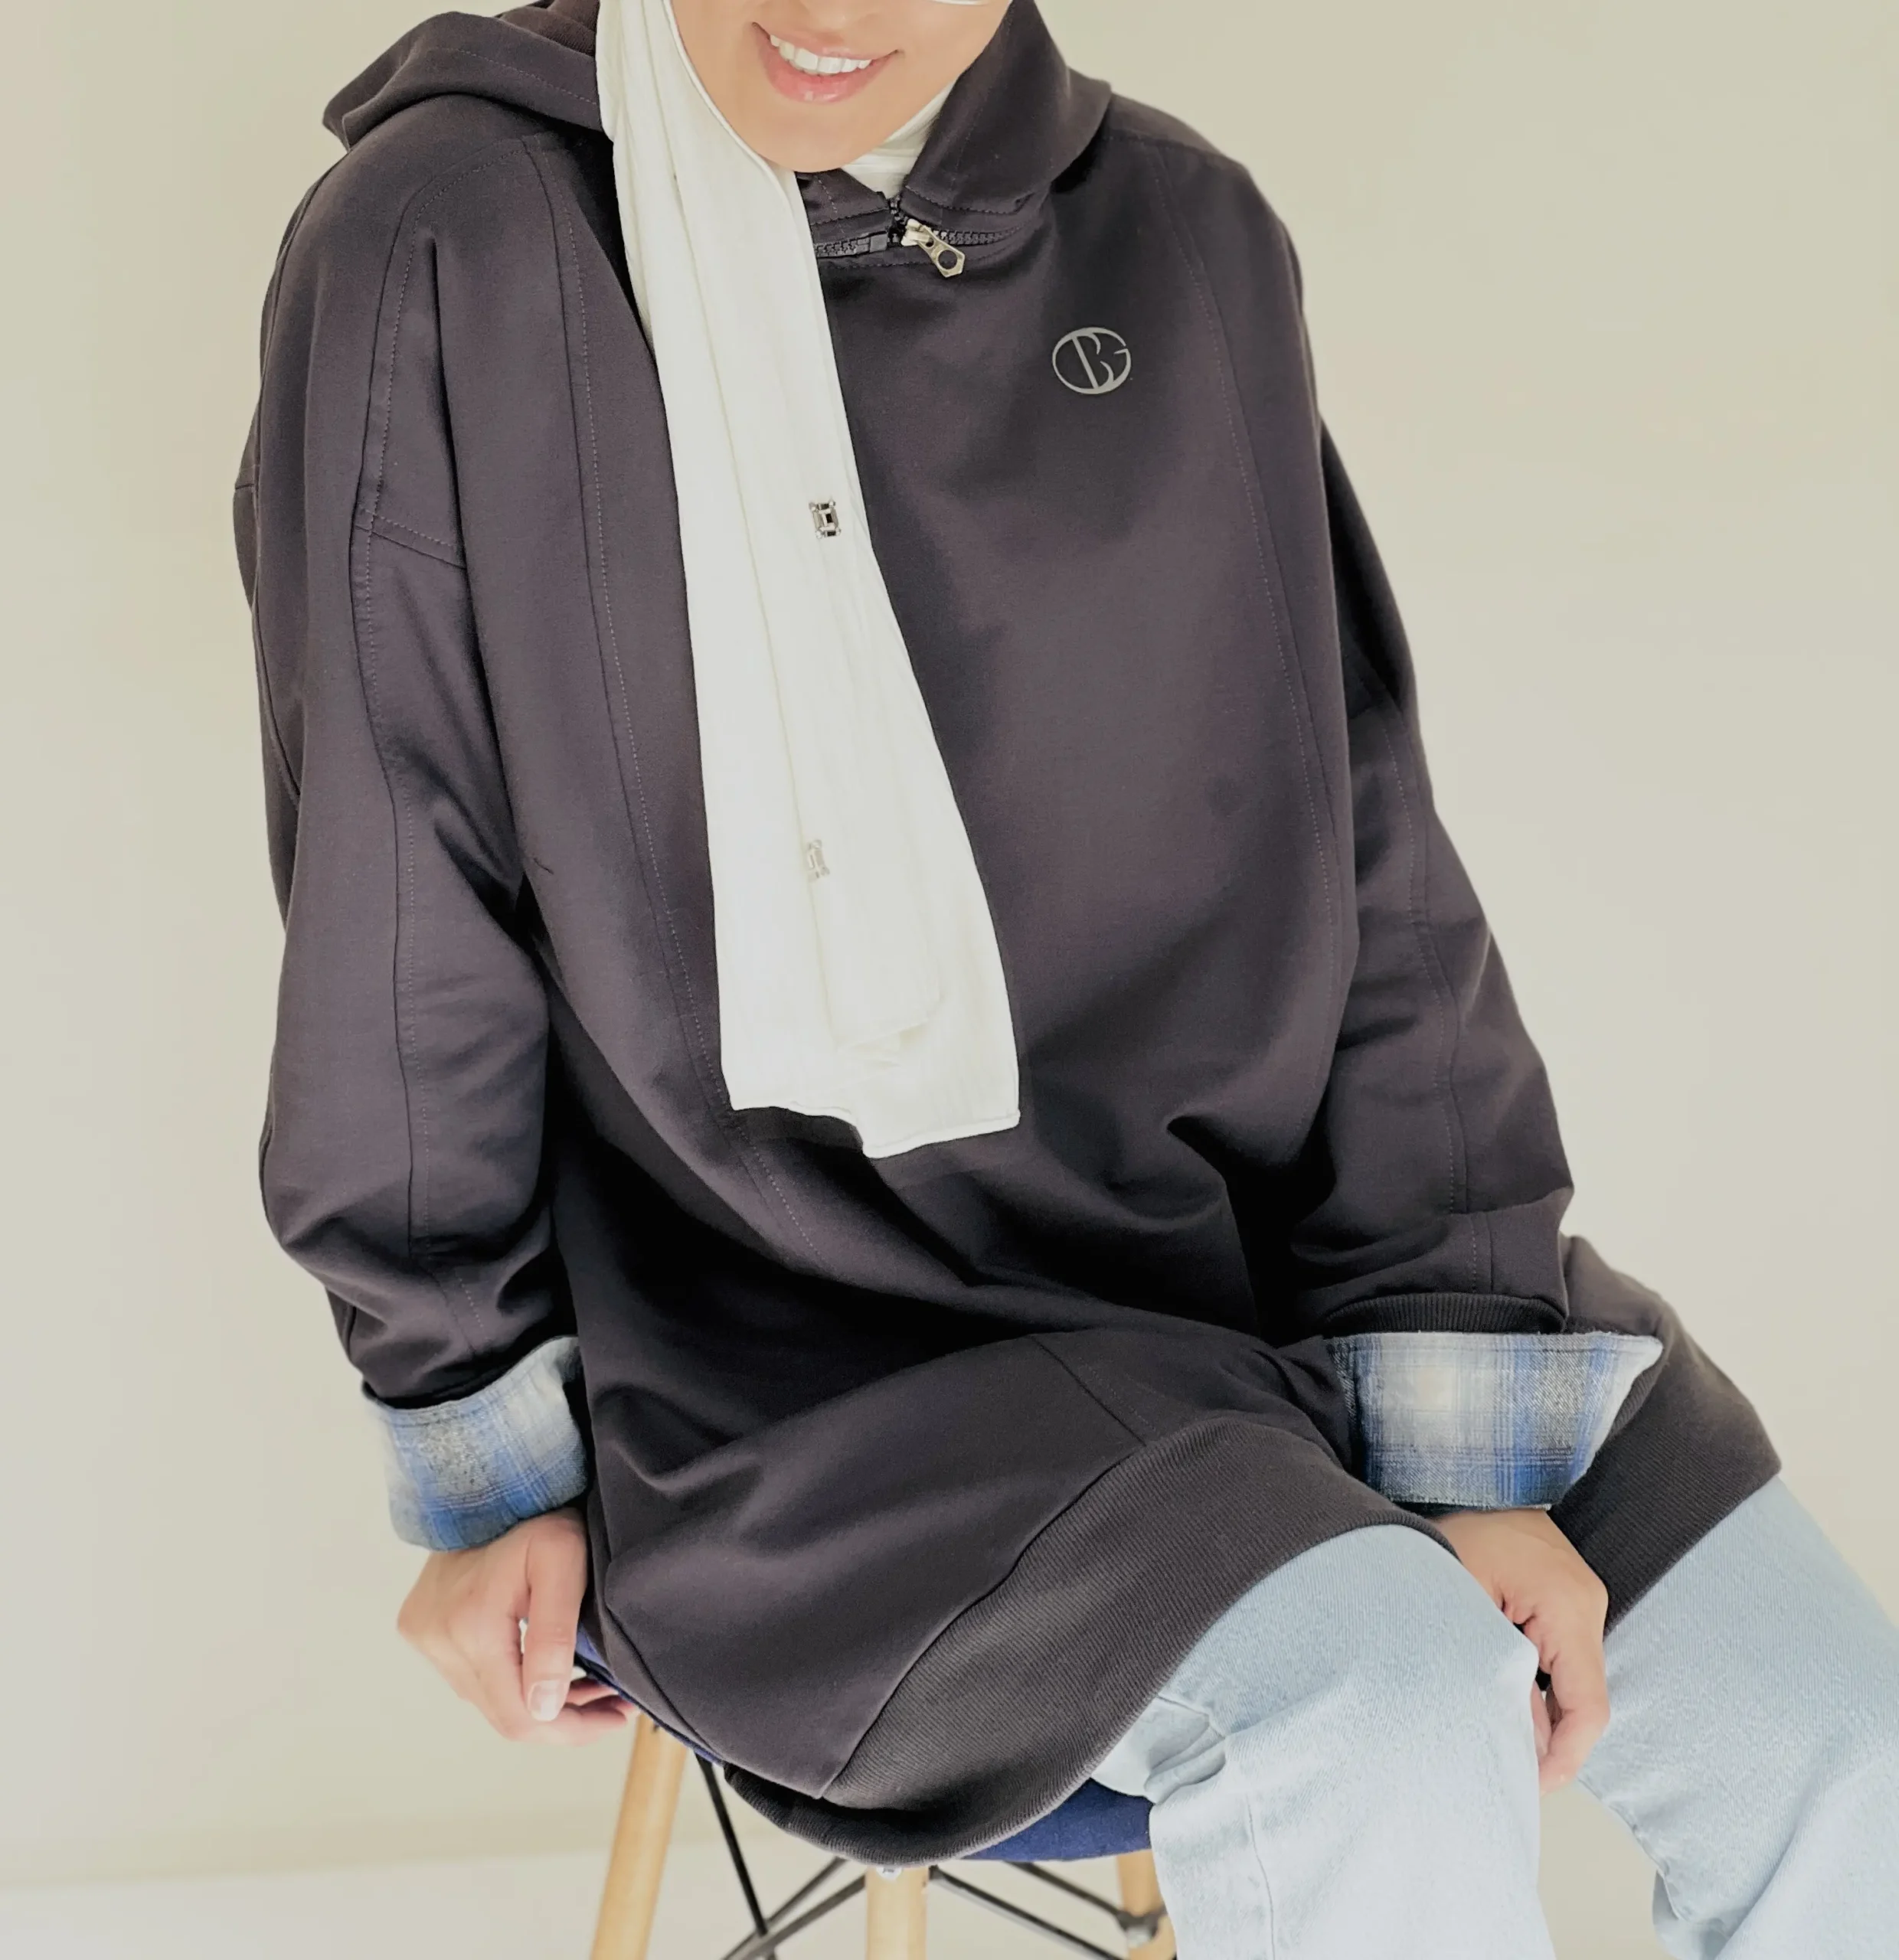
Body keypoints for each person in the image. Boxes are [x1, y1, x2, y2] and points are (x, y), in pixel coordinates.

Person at [236, 1, 1899, 1952]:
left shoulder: (1179, 229)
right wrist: (478, 1442)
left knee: (1837, 1740)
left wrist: (1456, 1415)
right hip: (797, 1370)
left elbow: (1368, 859)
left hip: (1265, 1267)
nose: (838, 5)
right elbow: (398, 896)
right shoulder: (449, 237)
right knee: (1378, 1695)